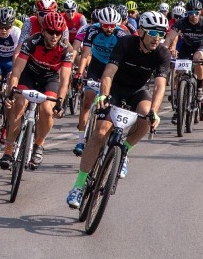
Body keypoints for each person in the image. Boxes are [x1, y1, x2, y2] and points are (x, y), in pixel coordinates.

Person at [66, 11, 170, 207]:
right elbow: (108, 73)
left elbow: (160, 86)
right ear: (141, 31)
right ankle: (78, 187)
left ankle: (124, 151)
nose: (157, 38)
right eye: (153, 33)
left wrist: (154, 111)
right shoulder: (126, 43)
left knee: (146, 117)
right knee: (100, 133)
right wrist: (104, 95)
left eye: (161, 33)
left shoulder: (162, 53)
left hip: (137, 91)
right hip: (114, 89)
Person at [0, 12, 72, 170]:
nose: (54, 36)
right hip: (29, 75)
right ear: (43, 31)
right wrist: (11, 92)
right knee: (19, 103)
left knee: (47, 109)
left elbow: (65, 80)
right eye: (51, 32)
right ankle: (8, 150)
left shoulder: (66, 49)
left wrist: (60, 101)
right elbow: (17, 70)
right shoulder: (31, 41)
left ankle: (39, 144)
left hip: (50, 79)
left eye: (58, 33)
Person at [72, 7, 128, 156]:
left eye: (112, 25)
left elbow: (127, 58)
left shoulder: (122, 33)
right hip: (96, 64)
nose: (108, 29)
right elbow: (84, 55)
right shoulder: (92, 30)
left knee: (112, 103)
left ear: (116, 24)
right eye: (105, 25)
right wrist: (78, 73)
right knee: (87, 100)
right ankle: (80, 139)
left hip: (114, 65)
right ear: (100, 23)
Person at [164, 0, 203, 118]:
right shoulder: (182, 22)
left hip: (201, 47)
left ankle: (200, 92)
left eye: (196, 13)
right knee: (180, 72)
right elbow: (170, 37)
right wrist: (164, 49)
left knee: (198, 60)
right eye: (190, 13)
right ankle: (179, 105)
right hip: (186, 48)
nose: (193, 16)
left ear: (200, 13)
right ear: (187, 13)